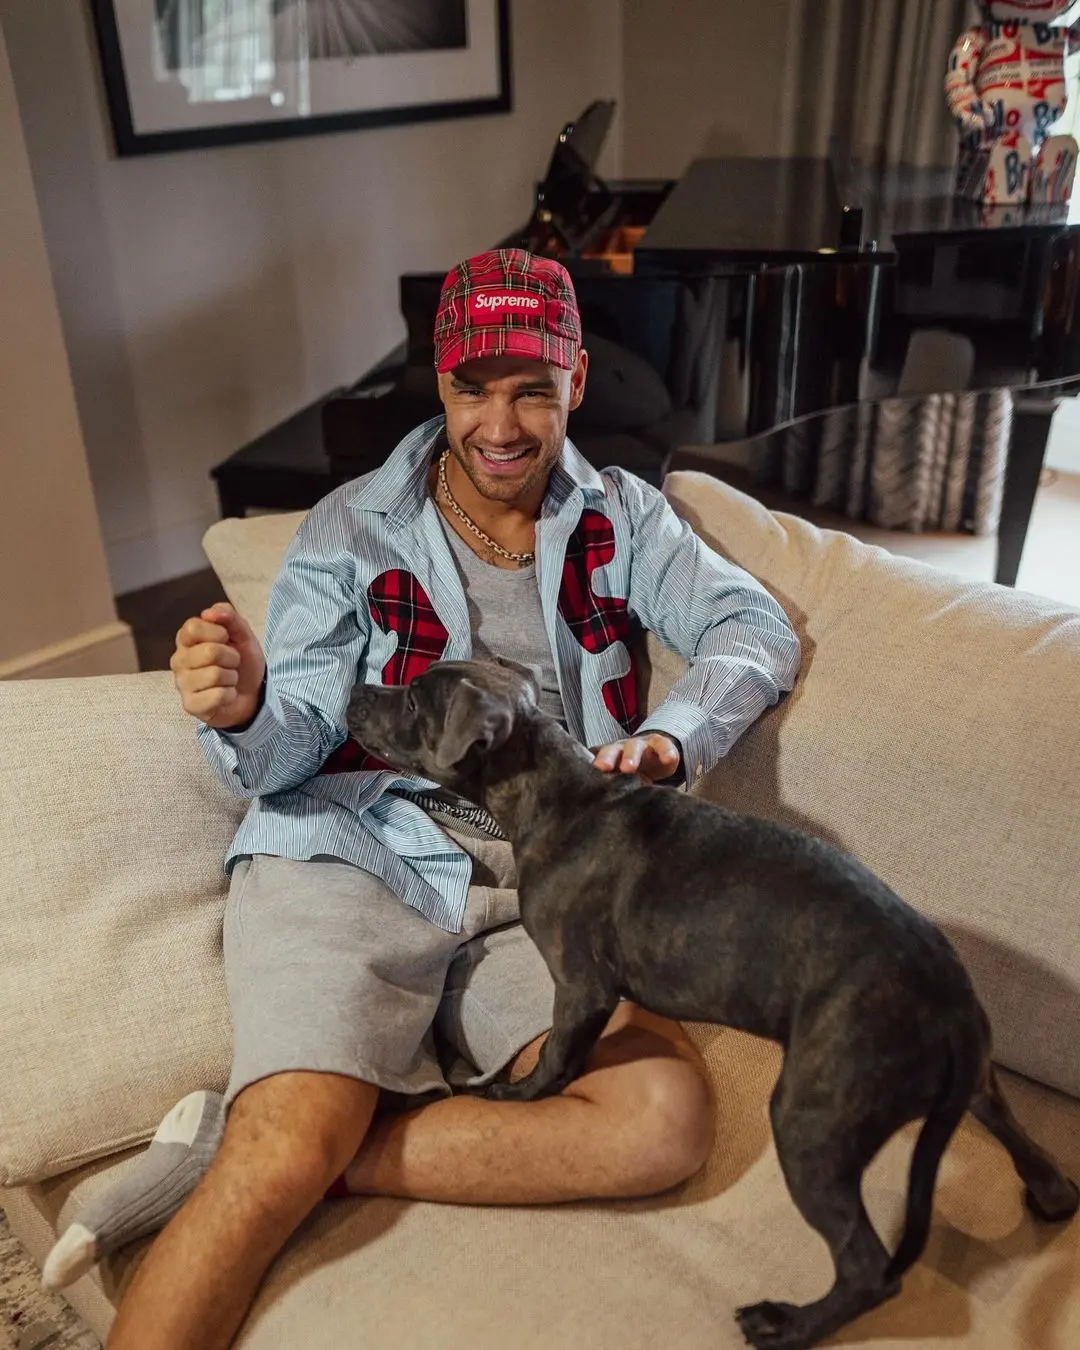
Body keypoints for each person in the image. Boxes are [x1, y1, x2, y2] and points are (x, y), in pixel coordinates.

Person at [45, 248, 801, 1350]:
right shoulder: (349, 530)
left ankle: (277, 1146)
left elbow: (754, 628)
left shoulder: (627, 521)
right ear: (440, 382)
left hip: (538, 882)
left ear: (578, 380)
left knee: (661, 1121)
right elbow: (291, 745)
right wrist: (247, 709)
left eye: (533, 390)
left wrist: (670, 739)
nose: (500, 425)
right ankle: (278, 1149)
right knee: (280, 1155)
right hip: (356, 847)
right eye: (472, 389)